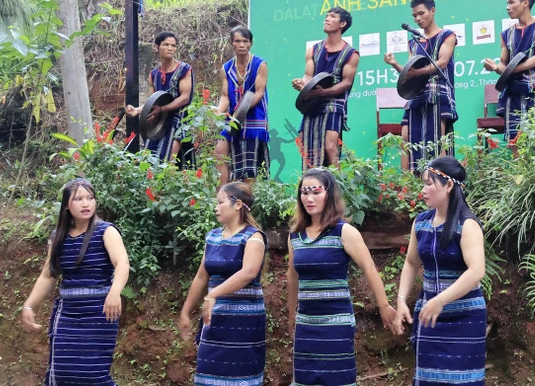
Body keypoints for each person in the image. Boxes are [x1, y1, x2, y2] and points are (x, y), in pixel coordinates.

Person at [286, 168, 397, 385]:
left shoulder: (344, 231)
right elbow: (292, 277)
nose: (309, 198)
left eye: (316, 191)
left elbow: (369, 268)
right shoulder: (295, 236)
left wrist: (384, 306)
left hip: (336, 323)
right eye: (304, 192)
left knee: (336, 378)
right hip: (306, 323)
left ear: (329, 194)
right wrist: (292, 316)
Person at [20, 178, 130, 385]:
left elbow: (122, 263)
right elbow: (48, 275)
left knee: (92, 374)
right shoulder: (58, 237)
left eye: (90, 198)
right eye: (78, 199)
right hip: (67, 314)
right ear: (67, 206)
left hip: (100, 312)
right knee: (63, 372)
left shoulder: (106, 231)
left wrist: (115, 292)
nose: (86, 203)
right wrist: (29, 305)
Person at [393, 156, 487, 385]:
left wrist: (440, 300)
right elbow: (411, 263)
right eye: (423, 184)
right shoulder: (421, 222)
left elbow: (476, 271)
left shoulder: (467, 225)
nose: (423, 190)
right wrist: (401, 299)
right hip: (430, 316)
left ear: (448, 186)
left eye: (429, 184)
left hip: (464, 317)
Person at [178, 182, 267, 385]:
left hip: (244, 323)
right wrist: (185, 312)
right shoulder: (213, 236)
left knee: (242, 376)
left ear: (238, 205)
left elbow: (248, 272)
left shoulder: (253, 237)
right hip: (214, 320)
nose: (216, 207)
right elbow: (201, 277)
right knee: (208, 376)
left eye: (221, 202)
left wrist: (213, 294)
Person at [385, 0, 458, 171]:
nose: (418, 18)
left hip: (438, 93)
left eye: (421, 13)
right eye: (414, 16)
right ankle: (408, 185)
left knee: (436, 140)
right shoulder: (413, 42)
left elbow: (441, 63)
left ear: (432, 11)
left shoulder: (447, 35)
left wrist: (416, 72)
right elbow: (409, 74)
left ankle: (440, 178)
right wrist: (395, 64)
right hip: (416, 95)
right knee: (406, 137)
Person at [484, 0, 535, 155]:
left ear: (525, 3)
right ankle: (525, 181)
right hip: (513, 94)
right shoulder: (506, 34)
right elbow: (503, 64)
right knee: (515, 141)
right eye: (507, 3)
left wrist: (513, 70)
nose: (507, 7)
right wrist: (496, 68)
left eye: (511, 2)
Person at [291, 8, 360, 169]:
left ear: (342, 24)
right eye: (326, 16)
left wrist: (324, 92)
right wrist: (302, 85)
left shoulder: (351, 53)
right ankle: (309, 181)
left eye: (332, 17)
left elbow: (346, 83)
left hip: (334, 103)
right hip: (313, 102)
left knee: (330, 146)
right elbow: (308, 76)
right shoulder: (313, 50)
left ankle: (337, 184)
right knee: (306, 145)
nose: (327, 19)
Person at [126, 31, 194, 165]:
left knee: (169, 161)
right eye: (166, 45)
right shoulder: (154, 74)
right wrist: (137, 110)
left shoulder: (184, 69)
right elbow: (151, 102)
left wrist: (162, 109)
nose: (170, 48)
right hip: (159, 123)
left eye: (173, 46)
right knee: (148, 158)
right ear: (156, 47)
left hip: (179, 121)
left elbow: (185, 98)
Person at [213, 26, 270, 184]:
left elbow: (259, 93)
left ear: (251, 43)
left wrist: (241, 110)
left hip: (254, 120)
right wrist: (218, 111)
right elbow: (225, 96)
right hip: (232, 120)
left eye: (245, 41)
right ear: (232, 43)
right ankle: (222, 194)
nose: (242, 44)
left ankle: (246, 203)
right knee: (219, 154)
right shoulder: (226, 68)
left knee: (248, 169)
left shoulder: (260, 65)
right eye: (238, 41)